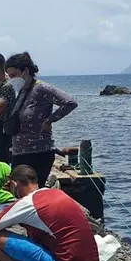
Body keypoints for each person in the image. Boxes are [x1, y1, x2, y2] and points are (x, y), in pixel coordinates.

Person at [5, 52, 78, 187]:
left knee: (32, 192)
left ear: (25, 71)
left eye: (14, 75)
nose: (12, 79)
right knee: (16, 190)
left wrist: (49, 120)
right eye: (9, 76)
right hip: (18, 151)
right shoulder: (21, 91)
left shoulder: (41, 89)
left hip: (39, 151)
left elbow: (70, 102)